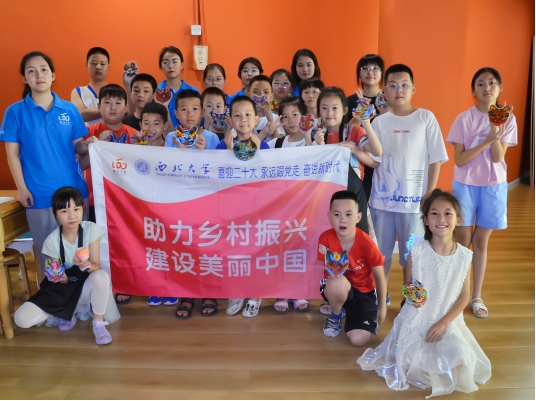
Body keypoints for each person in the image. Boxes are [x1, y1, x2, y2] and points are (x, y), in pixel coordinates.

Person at [358, 189, 491, 398]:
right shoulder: (417, 251)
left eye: (448, 213)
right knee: (411, 360)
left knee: (460, 359)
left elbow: (464, 296)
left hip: (448, 318)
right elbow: (408, 284)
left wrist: (443, 323)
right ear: (426, 221)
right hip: (418, 315)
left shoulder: (465, 256)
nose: (441, 219)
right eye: (434, 213)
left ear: (458, 220)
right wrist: (413, 298)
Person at [1, 51, 89, 279]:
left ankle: (81, 295)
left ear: (53, 75)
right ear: (24, 78)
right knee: (50, 256)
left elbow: (78, 147)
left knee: (80, 254)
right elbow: (12, 154)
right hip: (39, 195)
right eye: (31, 71)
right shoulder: (15, 112)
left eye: (44, 69)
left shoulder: (69, 109)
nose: (39, 75)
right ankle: (55, 297)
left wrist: (92, 144)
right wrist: (21, 188)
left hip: (75, 193)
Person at [370, 64, 448, 307]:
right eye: (392, 85)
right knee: (380, 254)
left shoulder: (425, 118)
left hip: (415, 203)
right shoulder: (378, 122)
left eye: (404, 85)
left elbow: (436, 159)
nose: (399, 90)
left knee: (412, 255)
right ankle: (380, 297)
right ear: (384, 91)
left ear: (414, 88)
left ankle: (410, 301)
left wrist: (430, 193)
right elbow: (372, 159)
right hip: (382, 202)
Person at [446, 67, 517, 319]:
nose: (487, 88)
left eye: (492, 83)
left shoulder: (508, 118)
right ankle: (457, 294)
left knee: (480, 242)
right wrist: (486, 139)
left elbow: (498, 157)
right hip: (465, 185)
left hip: (494, 186)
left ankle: (476, 296)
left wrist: (496, 126)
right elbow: (460, 160)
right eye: (480, 84)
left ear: (500, 88)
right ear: (473, 90)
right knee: (462, 242)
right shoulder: (463, 119)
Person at [14, 187, 120, 345]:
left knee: (101, 276)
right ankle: (65, 312)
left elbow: (96, 266)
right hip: (63, 289)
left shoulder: (91, 229)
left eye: (76, 209)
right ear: (56, 214)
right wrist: (58, 276)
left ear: (83, 208)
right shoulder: (52, 241)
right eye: (64, 211)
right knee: (21, 319)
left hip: (85, 287)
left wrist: (84, 264)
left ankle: (98, 324)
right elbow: (63, 281)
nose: (71, 216)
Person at [216, 96, 268, 317]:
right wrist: (228, 153)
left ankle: (255, 294)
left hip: (258, 210)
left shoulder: (263, 145)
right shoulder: (222, 145)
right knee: (234, 251)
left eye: (248, 115)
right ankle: (236, 291)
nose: (243, 119)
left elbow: (271, 177)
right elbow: (216, 175)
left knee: (256, 252)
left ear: (256, 119)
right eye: (237, 115)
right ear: (230, 119)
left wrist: (260, 152)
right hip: (232, 210)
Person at [318, 190, 386, 345]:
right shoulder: (325, 238)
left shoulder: (367, 243)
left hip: (364, 293)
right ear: (329, 217)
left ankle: (354, 311)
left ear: (358, 217)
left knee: (358, 340)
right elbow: (329, 271)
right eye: (337, 215)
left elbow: (379, 276)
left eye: (349, 214)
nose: (342, 220)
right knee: (336, 282)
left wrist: (382, 307)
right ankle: (336, 315)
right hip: (339, 286)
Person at [313, 86, 383, 236]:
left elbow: (377, 153)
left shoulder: (353, 131)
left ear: (345, 110)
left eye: (335, 108)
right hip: (325, 199)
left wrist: (365, 124)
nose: (329, 113)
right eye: (324, 108)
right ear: (318, 111)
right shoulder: (317, 136)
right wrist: (318, 147)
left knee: (359, 241)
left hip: (355, 197)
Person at [78, 84, 137, 223]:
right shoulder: (87, 133)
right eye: (107, 102)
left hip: (125, 199)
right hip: (95, 198)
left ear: (126, 108)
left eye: (118, 103)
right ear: (99, 106)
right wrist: (97, 145)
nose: (113, 107)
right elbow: (79, 165)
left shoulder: (135, 136)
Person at [346, 54, 385, 201]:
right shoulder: (350, 101)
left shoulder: (387, 100)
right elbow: (347, 131)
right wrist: (361, 110)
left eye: (375, 68)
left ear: (382, 73)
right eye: (365, 68)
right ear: (359, 73)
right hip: (360, 159)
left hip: (385, 157)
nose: (370, 72)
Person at [157, 46, 199, 128]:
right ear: (161, 66)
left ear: (182, 65)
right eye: (166, 62)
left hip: (189, 135)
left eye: (174, 62)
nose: (170, 66)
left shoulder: (193, 91)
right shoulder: (157, 92)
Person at [70, 47, 110, 125]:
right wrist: (108, 111)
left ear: (108, 66)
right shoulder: (78, 91)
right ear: (87, 65)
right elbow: (78, 114)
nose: (98, 67)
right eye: (94, 63)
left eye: (102, 64)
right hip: (86, 133)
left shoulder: (116, 91)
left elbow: (126, 112)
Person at [245, 75, 284, 141]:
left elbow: (279, 144)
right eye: (255, 92)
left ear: (271, 97)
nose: (261, 95)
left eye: (266, 92)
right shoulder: (242, 118)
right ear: (248, 95)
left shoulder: (276, 118)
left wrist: (270, 119)